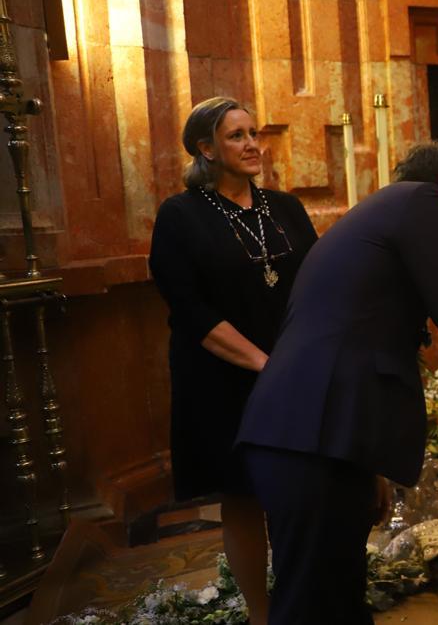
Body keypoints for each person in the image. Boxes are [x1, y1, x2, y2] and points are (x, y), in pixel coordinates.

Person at [236, 142, 438, 625]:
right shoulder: (424, 199)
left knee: (338, 594)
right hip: (310, 433)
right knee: (309, 601)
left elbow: (364, 326)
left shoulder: (384, 213)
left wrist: (367, 467)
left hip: (322, 435)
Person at [148, 96, 318, 625]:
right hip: (221, 379)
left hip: (288, 371)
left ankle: (304, 601)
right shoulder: (181, 215)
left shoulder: (285, 208)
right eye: (236, 136)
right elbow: (190, 311)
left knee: (298, 490)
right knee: (245, 496)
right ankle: (262, 614)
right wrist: (262, 363)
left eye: (254, 133)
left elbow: (314, 285)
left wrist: (301, 358)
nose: (252, 145)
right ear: (206, 148)